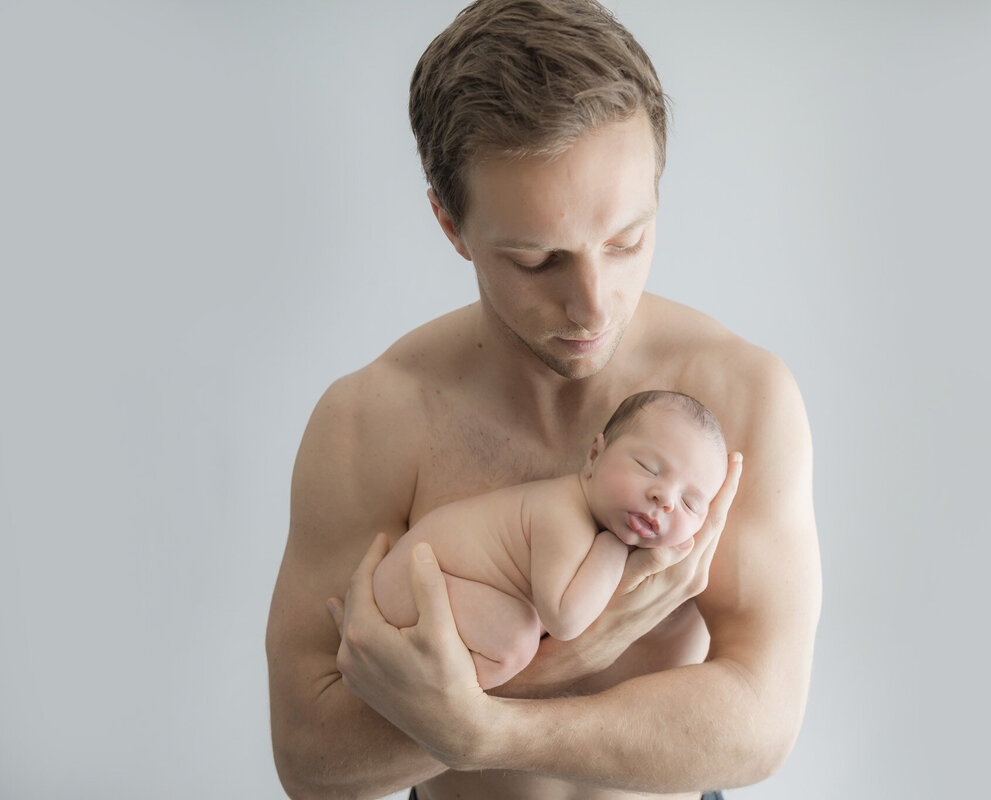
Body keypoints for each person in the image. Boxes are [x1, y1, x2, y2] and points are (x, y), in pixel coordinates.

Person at [265, 1, 822, 799]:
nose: (595, 305)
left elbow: (762, 724)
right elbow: (311, 758)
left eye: (627, 241)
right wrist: (570, 659)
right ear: (450, 223)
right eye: (536, 261)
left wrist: (484, 728)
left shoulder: (737, 396)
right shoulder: (372, 423)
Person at [373, 390, 731, 690]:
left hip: (426, 583)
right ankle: (437, 703)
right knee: (515, 639)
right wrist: (613, 550)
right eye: (648, 468)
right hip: (414, 582)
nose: (665, 498)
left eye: (690, 503)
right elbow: (565, 620)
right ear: (594, 456)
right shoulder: (564, 516)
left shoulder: (585, 517)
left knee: (515, 632)